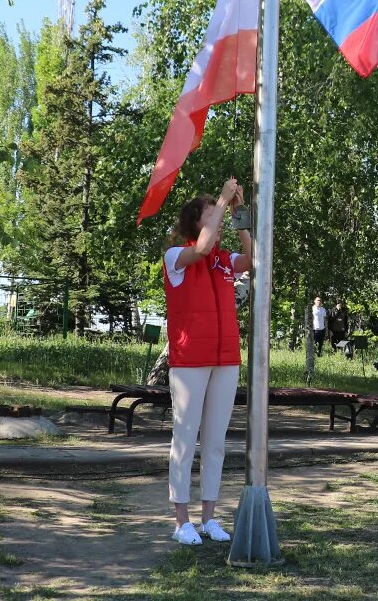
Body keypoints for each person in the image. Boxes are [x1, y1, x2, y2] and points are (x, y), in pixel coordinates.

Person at [163, 177, 251, 546]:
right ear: (194, 222)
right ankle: (181, 520)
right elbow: (199, 248)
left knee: (215, 442)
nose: (217, 215)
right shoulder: (177, 256)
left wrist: (239, 214)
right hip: (189, 361)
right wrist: (221, 198)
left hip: (226, 357)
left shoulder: (224, 262)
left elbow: (255, 260)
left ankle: (209, 518)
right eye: (210, 213)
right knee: (185, 439)